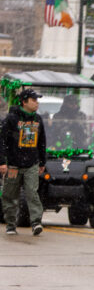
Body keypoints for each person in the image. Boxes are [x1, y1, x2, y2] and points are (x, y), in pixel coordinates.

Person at [0, 88, 47, 236]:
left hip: (31, 164)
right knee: (9, 195)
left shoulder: (38, 119)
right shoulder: (11, 119)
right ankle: (11, 224)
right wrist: (2, 162)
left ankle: (36, 222)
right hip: (13, 164)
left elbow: (42, 142)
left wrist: (41, 162)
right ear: (24, 101)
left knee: (32, 192)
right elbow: (2, 141)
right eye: (33, 100)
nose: (36, 103)